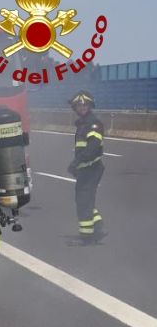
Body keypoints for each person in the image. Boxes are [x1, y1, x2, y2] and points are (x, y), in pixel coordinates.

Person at [67, 91, 106, 244]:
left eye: (85, 105)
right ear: (75, 107)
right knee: (84, 200)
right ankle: (99, 227)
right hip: (85, 169)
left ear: (90, 105)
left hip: (91, 169)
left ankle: (87, 237)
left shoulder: (93, 123)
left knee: (84, 201)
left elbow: (93, 147)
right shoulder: (83, 123)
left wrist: (76, 163)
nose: (82, 107)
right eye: (79, 105)